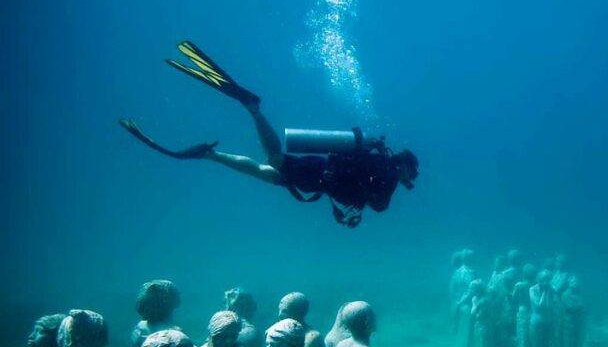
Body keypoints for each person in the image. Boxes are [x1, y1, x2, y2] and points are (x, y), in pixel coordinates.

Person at [120, 41, 418, 227]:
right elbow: (379, 205)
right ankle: (253, 108)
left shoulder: (382, 166)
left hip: (319, 176)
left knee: (267, 173)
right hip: (319, 173)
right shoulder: (389, 173)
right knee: (274, 160)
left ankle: (211, 155)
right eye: (411, 174)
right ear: (404, 165)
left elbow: (363, 194)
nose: (410, 181)